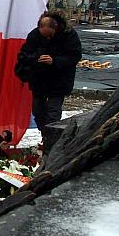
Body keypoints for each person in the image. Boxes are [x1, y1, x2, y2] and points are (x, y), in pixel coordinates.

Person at [15, 11, 82, 142]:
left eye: (49, 35)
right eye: (43, 35)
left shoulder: (69, 35)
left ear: (55, 28)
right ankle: (44, 133)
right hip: (38, 79)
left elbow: (74, 56)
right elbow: (24, 55)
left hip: (59, 80)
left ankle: (51, 139)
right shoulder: (34, 35)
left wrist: (54, 61)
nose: (47, 38)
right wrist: (37, 58)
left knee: (53, 112)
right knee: (37, 111)